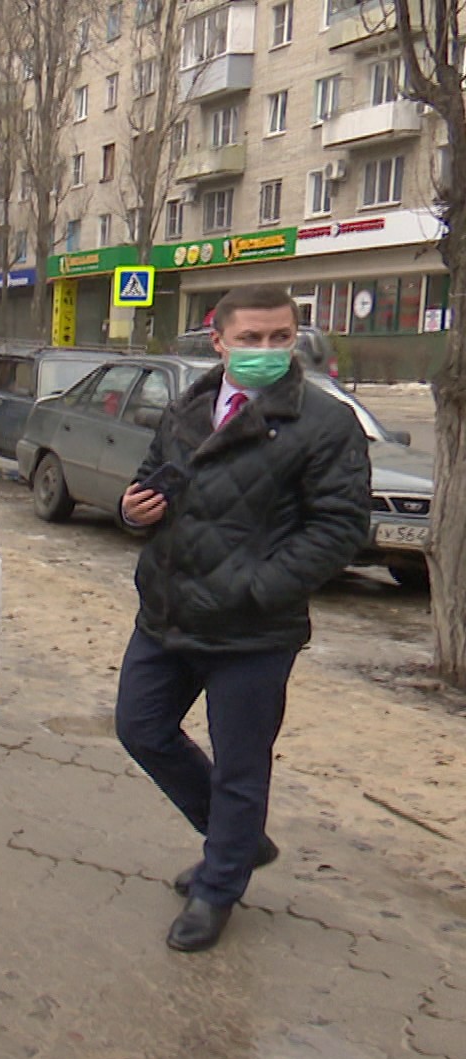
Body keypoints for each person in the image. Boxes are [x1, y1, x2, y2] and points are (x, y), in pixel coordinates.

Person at [114, 284, 370, 953]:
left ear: (295, 339)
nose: (266, 351)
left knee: (240, 766)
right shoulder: (189, 406)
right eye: (250, 339)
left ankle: (218, 886)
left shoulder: (324, 422)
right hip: (168, 610)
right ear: (219, 340)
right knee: (141, 728)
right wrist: (132, 509)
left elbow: (338, 530)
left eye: (280, 337)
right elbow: (152, 481)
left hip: (252, 629)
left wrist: (255, 588)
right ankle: (240, 840)